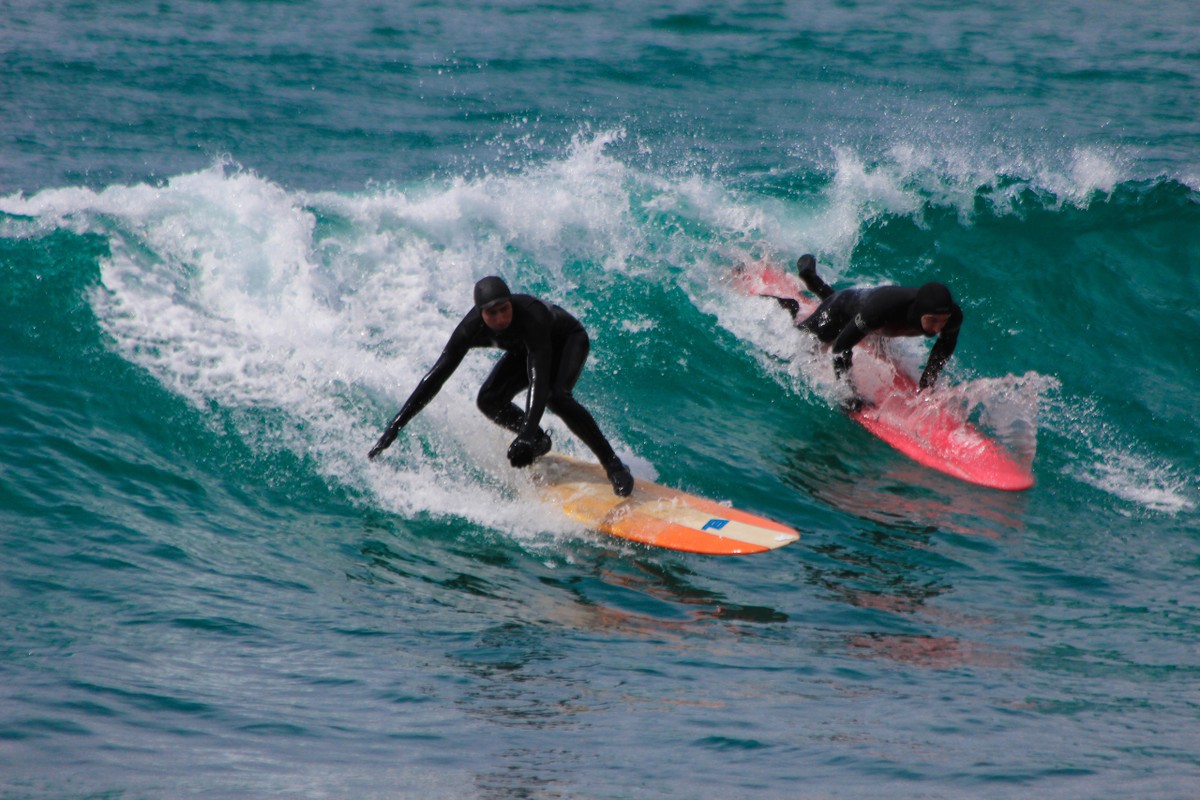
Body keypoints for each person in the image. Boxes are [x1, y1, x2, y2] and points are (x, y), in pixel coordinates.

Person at [368, 276, 635, 497]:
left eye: (504, 308)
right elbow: (435, 377)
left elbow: (538, 382)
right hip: (526, 350)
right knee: (489, 399)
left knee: (557, 397)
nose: (500, 318)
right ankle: (541, 442)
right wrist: (396, 425)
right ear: (480, 314)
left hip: (566, 340)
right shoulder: (469, 329)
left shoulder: (531, 316)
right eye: (491, 313)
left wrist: (524, 436)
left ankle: (613, 465)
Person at [769, 254, 962, 393]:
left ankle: (811, 279)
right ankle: (791, 303)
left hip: (868, 314)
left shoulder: (952, 316)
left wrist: (925, 387)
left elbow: (942, 351)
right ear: (920, 312)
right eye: (933, 321)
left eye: (942, 322)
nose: (938, 328)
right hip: (841, 311)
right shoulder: (883, 310)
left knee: (858, 319)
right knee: (801, 345)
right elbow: (840, 347)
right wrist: (849, 392)